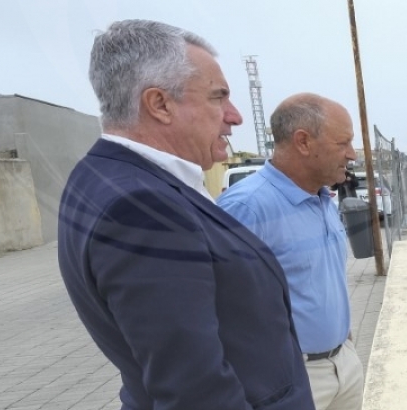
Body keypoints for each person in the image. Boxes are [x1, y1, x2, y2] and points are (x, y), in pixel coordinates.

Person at [57, 19, 314, 409]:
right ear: (159, 104)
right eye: (218, 97)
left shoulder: (105, 177)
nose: (234, 116)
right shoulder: (141, 209)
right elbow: (194, 392)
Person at [218, 93, 365, 410]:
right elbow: (220, 309)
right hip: (290, 378)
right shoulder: (246, 208)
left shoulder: (323, 200)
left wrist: (344, 345)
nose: (352, 154)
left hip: (343, 364)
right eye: (343, 143)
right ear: (303, 142)